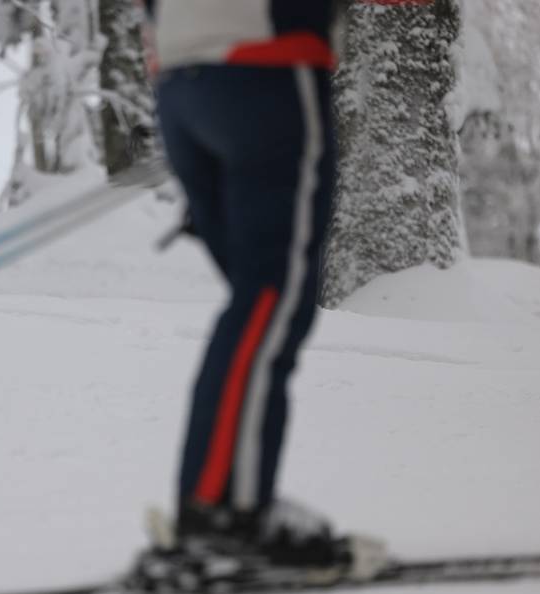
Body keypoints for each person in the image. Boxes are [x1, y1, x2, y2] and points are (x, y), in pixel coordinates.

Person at [143, 0, 344, 566]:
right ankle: (223, 513)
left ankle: (225, 502)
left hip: (182, 85)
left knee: (258, 307)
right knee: (272, 301)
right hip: (267, 71)